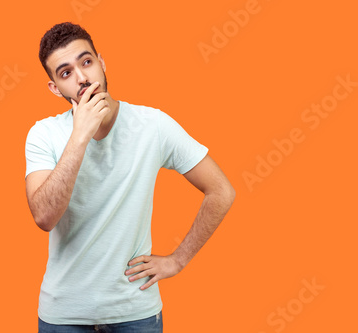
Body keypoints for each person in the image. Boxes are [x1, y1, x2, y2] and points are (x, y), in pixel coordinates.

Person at [25, 22, 236, 332]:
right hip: (64, 315)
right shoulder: (43, 134)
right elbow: (44, 217)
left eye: (86, 62)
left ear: (102, 63)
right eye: (66, 72)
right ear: (55, 87)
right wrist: (80, 135)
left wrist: (178, 260)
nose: (82, 77)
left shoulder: (153, 125)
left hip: (134, 311)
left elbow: (221, 191)